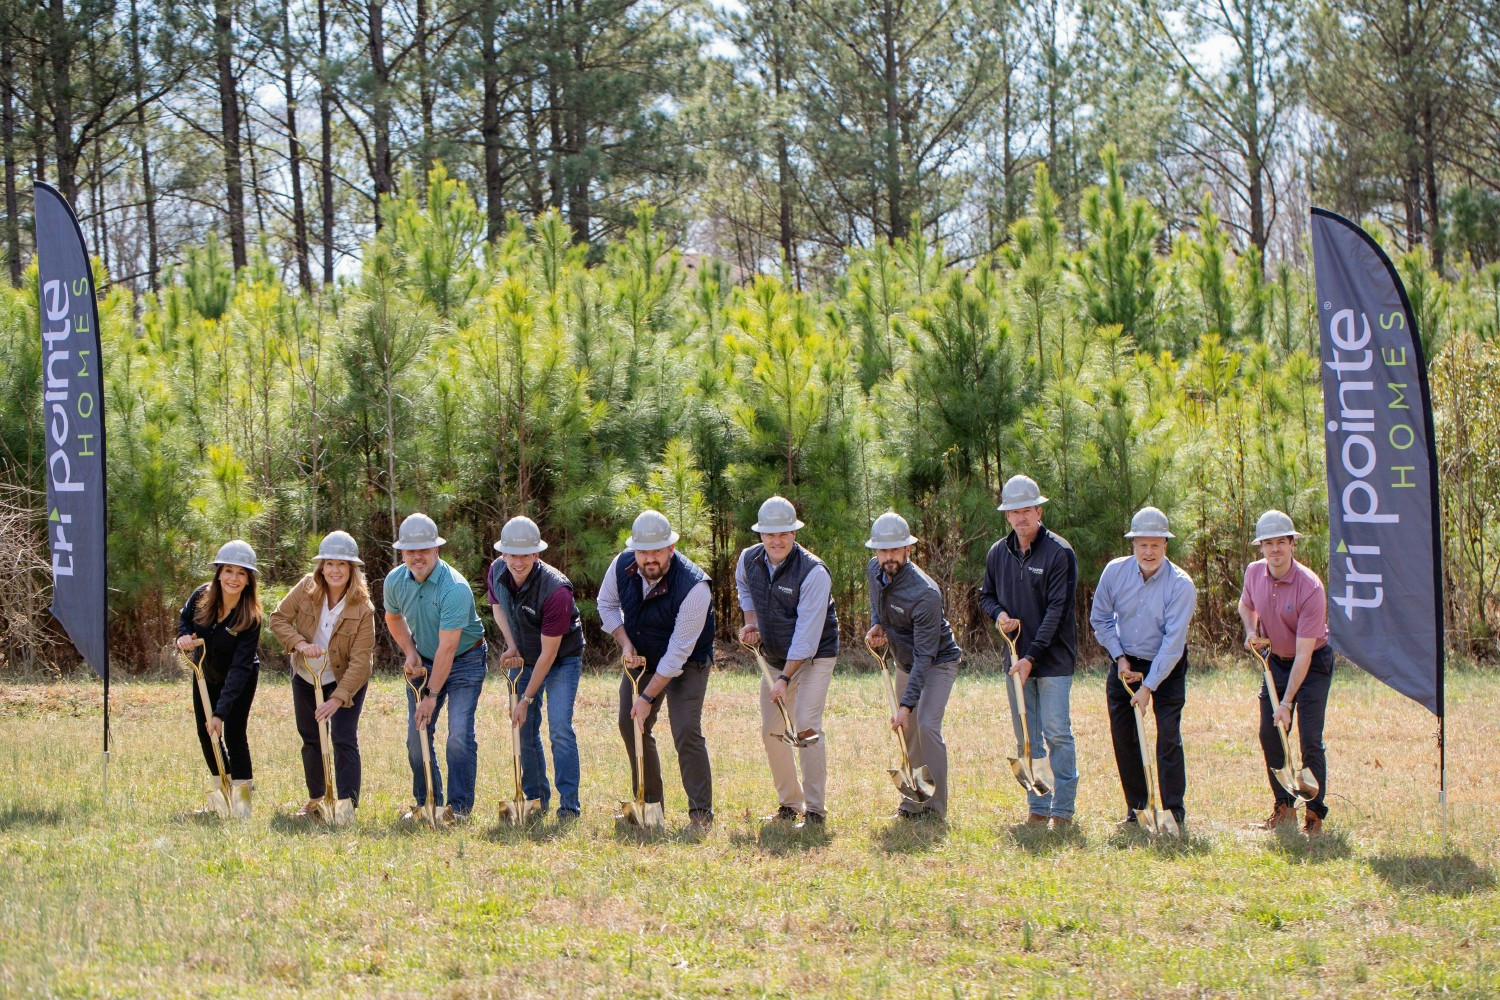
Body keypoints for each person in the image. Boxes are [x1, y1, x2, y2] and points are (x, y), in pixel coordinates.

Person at [597, 509, 715, 829]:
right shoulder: (622, 565)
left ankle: (700, 814)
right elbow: (606, 605)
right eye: (643, 551)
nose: (650, 559)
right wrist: (625, 643)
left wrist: (647, 697)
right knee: (630, 723)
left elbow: (677, 654)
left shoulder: (694, 586)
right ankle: (650, 808)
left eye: (657, 551)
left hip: (688, 663)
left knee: (685, 730)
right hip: (643, 657)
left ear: (671, 550)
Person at [978, 474, 1079, 829]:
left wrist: (1031, 657)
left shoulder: (1059, 553)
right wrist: (999, 614)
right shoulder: (997, 553)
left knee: (1056, 732)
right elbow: (985, 595)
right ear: (1006, 515)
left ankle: (1063, 810)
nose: (1021, 518)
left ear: (1039, 510)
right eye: (1014, 512)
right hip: (1015, 659)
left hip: (1051, 661)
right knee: (1026, 735)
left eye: (1027, 511)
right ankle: (1038, 805)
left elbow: (1057, 611)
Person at [1089, 507, 1197, 830]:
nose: (1148, 552)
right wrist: (1119, 657)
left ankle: (1173, 812)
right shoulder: (1114, 572)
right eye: (1142, 545)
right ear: (1133, 544)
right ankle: (1137, 810)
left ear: (1166, 544)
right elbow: (1100, 618)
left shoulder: (1181, 586)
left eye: (1155, 545)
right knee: (1124, 736)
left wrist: (1148, 686)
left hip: (1166, 664)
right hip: (1125, 660)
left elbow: (1172, 644)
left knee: (1167, 736)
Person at [735, 495, 839, 829]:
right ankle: (789, 804)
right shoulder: (748, 559)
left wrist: (784, 679)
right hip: (776, 655)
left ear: (794, 534)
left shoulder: (814, 572)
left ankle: (816, 811)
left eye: (784, 533)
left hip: (815, 655)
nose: (776, 540)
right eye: (770, 533)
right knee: (772, 731)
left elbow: (807, 638)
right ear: (761, 535)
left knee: (806, 727)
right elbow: (745, 590)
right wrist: (751, 623)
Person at [384, 512, 488, 822]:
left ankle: (459, 810)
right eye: (410, 551)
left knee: (458, 735)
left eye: (424, 550)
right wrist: (410, 651)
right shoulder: (394, 581)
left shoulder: (454, 588)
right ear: (403, 553)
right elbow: (393, 617)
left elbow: (449, 647)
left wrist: (431, 695)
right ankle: (427, 804)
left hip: (465, 660)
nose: (417, 557)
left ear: (436, 551)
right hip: (425, 660)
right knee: (416, 737)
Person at [1238, 509, 1332, 836]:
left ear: (1293, 545)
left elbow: (1305, 654)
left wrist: (1287, 702)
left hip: (1312, 663)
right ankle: (1283, 807)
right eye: (1268, 543)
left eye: (1282, 542)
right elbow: (1245, 606)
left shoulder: (1310, 587)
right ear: (1261, 547)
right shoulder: (1254, 573)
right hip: (1274, 661)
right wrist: (1252, 632)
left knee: (1309, 738)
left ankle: (1315, 815)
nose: (1275, 549)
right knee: (1270, 733)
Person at [270, 530, 377, 817]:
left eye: (342, 564)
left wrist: (337, 699)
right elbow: (278, 618)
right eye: (329, 563)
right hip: (307, 674)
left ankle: (346, 806)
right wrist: (300, 644)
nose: (335, 570)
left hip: (345, 680)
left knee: (342, 737)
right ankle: (317, 799)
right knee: (311, 737)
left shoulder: (364, 609)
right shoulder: (306, 587)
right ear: (321, 566)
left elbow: (361, 661)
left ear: (352, 569)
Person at [863, 511, 962, 821]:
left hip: (937, 663)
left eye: (895, 550)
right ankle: (913, 805)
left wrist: (906, 706)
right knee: (909, 733)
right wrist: (877, 625)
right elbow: (876, 603)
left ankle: (936, 809)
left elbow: (925, 656)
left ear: (908, 550)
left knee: (927, 726)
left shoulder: (925, 593)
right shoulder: (873, 570)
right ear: (876, 551)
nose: (889, 557)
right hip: (904, 661)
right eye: (883, 550)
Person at [487, 515, 585, 820]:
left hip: (561, 658)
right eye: (512, 555)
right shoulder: (496, 571)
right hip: (525, 653)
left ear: (536, 554)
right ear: (503, 554)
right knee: (524, 730)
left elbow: (549, 654)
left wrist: (526, 699)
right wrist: (512, 644)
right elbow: (498, 606)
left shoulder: (556, 590)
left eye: (525, 555)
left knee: (559, 730)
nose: (518, 562)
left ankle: (569, 806)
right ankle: (534, 799)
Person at [176, 539, 263, 815]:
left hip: (241, 678)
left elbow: (239, 669)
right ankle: (223, 796)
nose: (233, 578)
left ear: (249, 580)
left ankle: (243, 805)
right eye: (228, 571)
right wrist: (183, 636)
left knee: (234, 733)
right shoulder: (202, 595)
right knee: (206, 732)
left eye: (241, 573)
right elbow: (185, 619)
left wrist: (221, 712)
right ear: (219, 573)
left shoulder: (250, 617)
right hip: (204, 672)